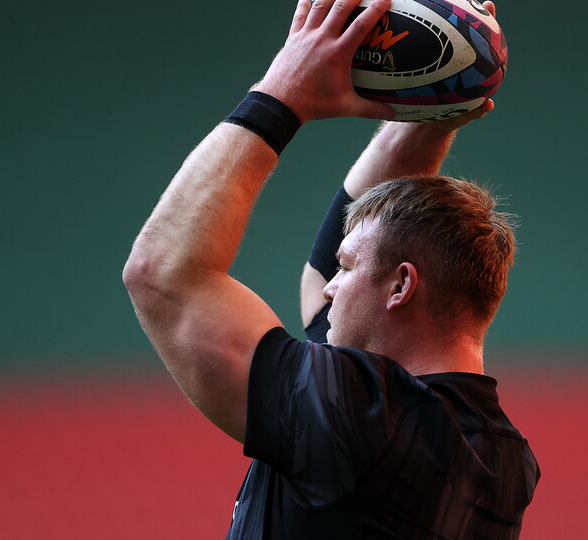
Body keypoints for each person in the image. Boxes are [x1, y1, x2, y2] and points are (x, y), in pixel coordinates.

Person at [122, 0, 540, 538]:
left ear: (402, 286)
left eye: (347, 267)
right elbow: (327, 288)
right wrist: (429, 113)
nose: (329, 286)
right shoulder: (501, 453)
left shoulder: (368, 422)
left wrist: (280, 94)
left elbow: (161, 276)